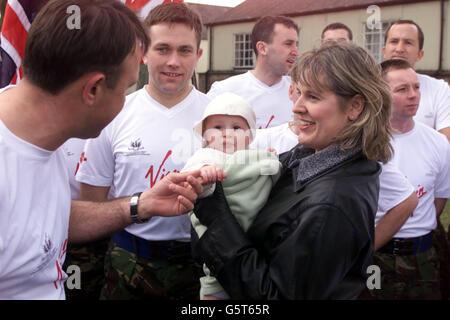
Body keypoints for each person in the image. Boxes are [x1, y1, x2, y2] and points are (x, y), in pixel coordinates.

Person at [0, 0, 203, 300]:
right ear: (93, 89)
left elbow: (53, 217)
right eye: (124, 89)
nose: (126, 102)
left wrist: (138, 205)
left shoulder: (42, 141)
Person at [190, 41, 394, 299]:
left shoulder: (331, 204)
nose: (297, 106)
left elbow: (278, 295)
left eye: (313, 96)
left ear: (355, 107)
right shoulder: (310, 156)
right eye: (298, 93)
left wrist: (217, 222)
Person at [76, 2, 209, 300]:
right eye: (163, 49)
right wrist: (139, 206)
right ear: (143, 53)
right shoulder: (112, 114)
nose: (174, 61)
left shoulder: (220, 117)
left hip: (203, 268)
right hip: (129, 266)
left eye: (185, 50)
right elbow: (89, 207)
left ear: (198, 56)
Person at [182, 92, 281, 299]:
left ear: (249, 135)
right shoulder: (205, 156)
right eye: (218, 127)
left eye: (236, 128)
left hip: (254, 229)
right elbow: (191, 182)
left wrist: (270, 159)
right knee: (216, 276)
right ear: (205, 135)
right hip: (220, 231)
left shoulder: (253, 155)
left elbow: (270, 176)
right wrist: (204, 176)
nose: (227, 134)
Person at [367, 59, 450, 300]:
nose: (413, 95)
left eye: (416, 87)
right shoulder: (366, 144)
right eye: (402, 89)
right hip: (376, 256)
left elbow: (439, 199)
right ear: (381, 93)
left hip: (423, 257)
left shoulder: (437, 143)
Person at [207, 16, 299, 129]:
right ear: (262, 48)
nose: (296, 52)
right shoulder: (224, 91)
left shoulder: (301, 92)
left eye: (296, 45)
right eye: (288, 44)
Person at [382, 19, 450, 141]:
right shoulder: (366, 88)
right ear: (384, 51)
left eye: (408, 43)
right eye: (394, 41)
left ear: (420, 54)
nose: (399, 49)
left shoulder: (439, 89)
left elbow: (446, 141)